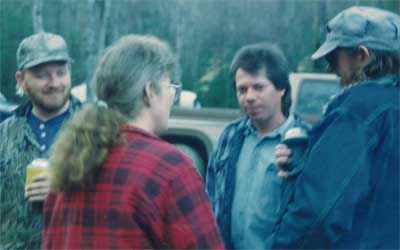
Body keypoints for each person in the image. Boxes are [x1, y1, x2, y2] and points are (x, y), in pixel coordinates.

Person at [42, 35, 224, 249]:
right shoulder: (170, 167)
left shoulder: (70, 162)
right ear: (149, 91)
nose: (172, 96)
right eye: (170, 87)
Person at [271, 6, 400, 248]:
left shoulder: (356, 111)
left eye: (334, 57)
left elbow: (319, 213)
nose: (330, 69)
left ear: (362, 55)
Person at [206, 43, 310, 249]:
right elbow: (209, 198)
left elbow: (313, 214)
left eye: (258, 87)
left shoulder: (305, 141)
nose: (249, 97)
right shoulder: (230, 136)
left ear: (281, 88)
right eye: (242, 90)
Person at [0, 32, 81, 249]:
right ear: (21, 80)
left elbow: (120, 200)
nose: (54, 83)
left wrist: (64, 192)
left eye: (61, 73)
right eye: (42, 75)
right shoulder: (3, 135)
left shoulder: (96, 131)